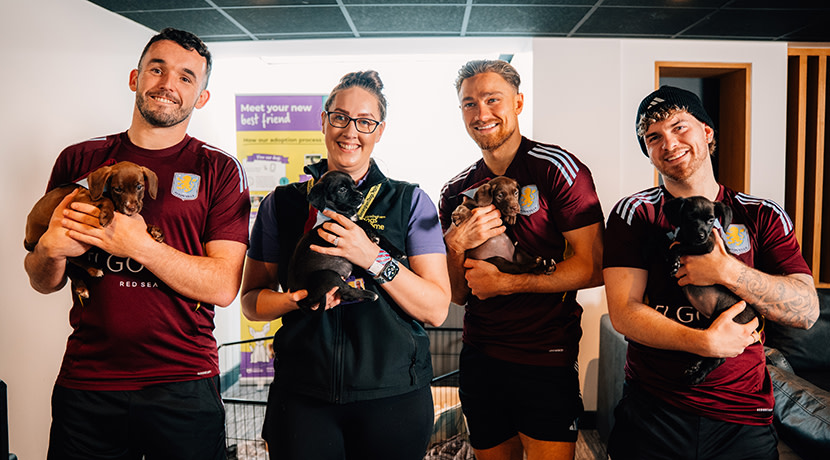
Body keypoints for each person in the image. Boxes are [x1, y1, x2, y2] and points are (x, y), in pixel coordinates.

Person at [24, 28, 250, 459]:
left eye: (186, 77)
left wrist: (139, 245)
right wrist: (49, 250)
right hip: (87, 381)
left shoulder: (219, 169)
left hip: (183, 381)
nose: (168, 83)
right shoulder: (79, 160)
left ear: (201, 97)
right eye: (157, 69)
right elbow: (42, 281)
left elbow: (223, 286)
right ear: (135, 78)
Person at [240, 70, 451, 460]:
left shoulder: (409, 201)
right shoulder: (281, 204)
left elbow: (436, 308)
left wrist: (370, 256)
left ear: (379, 130)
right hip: (303, 394)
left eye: (365, 122)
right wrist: (296, 300)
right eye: (340, 117)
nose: (350, 131)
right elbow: (251, 303)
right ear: (323, 120)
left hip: (392, 395)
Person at [603, 85, 820, 459]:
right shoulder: (635, 214)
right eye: (653, 137)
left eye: (679, 127)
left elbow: (807, 311)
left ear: (707, 132)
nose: (668, 143)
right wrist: (704, 343)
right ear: (648, 153)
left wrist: (726, 271)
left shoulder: (761, 213)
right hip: (654, 409)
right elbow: (624, 312)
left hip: (742, 414)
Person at [439, 60, 605, 460]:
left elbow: (594, 266)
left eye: (492, 99)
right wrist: (455, 245)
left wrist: (508, 283)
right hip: (481, 356)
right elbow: (460, 295)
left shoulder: (557, 169)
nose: (481, 113)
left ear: (518, 102)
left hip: (546, 356)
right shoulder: (454, 191)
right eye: (469, 103)